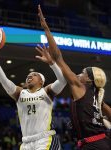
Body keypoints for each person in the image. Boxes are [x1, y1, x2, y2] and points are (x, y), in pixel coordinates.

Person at [37, 4, 111, 150]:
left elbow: (59, 57)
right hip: (101, 143)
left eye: (83, 72)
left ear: (89, 80)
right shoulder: (98, 98)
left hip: (92, 145)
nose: (79, 74)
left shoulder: (80, 87)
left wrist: (46, 29)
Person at [0, 41, 67, 150]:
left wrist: (52, 63)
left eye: (34, 75)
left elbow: (63, 81)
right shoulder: (20, 93)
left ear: (41, 81)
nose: (29, 77)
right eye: (28, 76)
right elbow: (3, 80)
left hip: (45, 139)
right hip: (26, 142)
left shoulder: (46, 91)